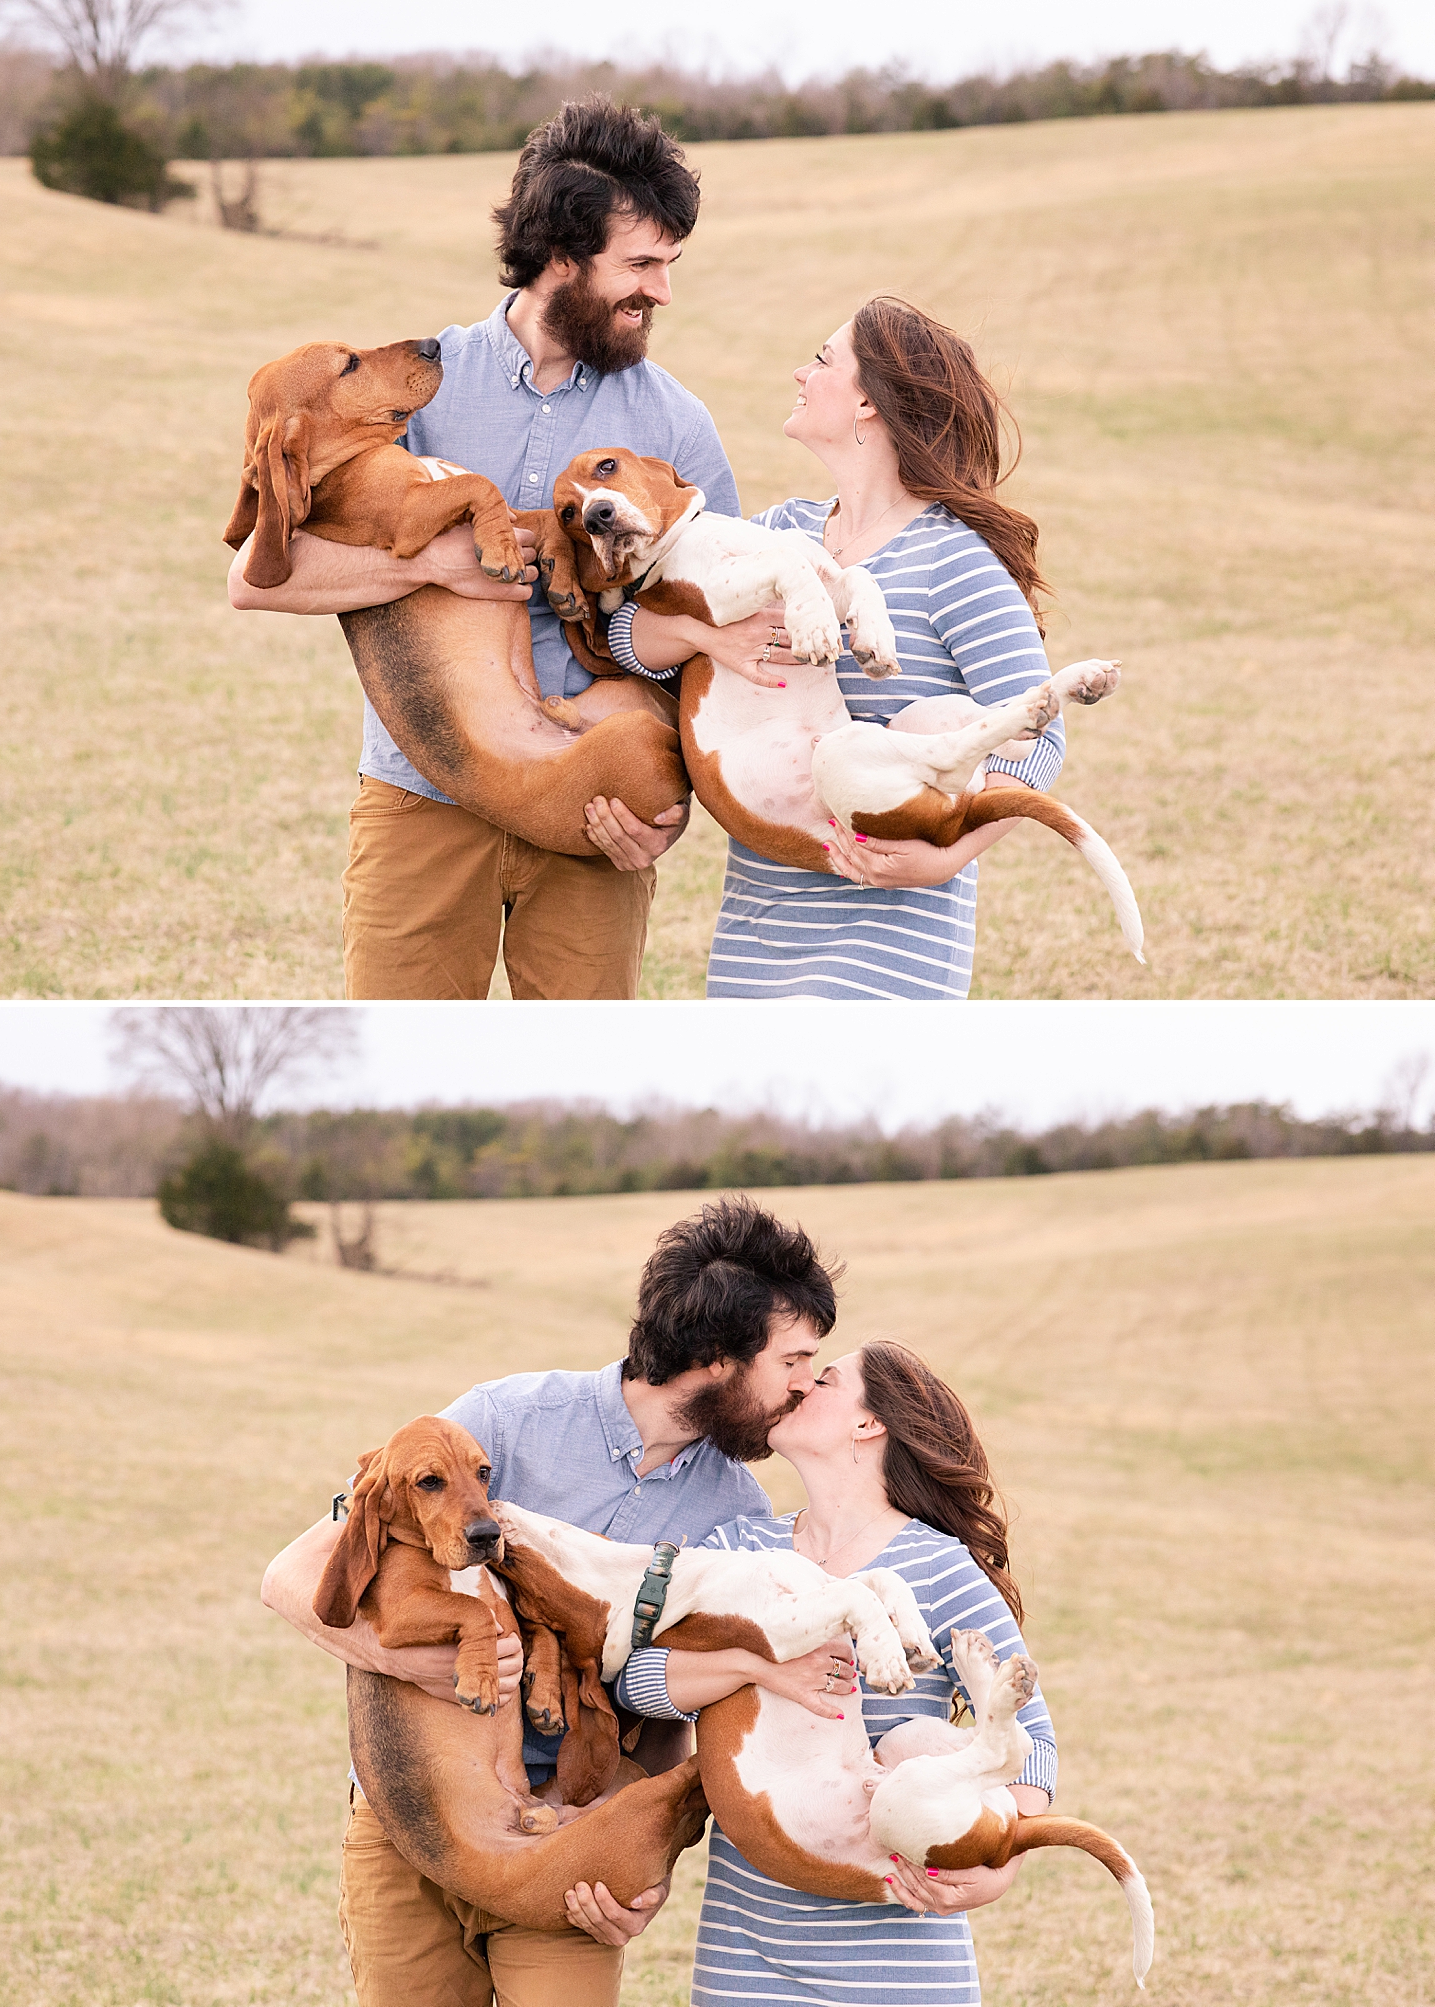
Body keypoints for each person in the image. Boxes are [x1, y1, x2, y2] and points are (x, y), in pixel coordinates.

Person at [260, 1195, 843, 2007]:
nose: (805, 1385)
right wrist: (410, 1659)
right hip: (409, 1823)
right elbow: (290, 1573)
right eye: (792, 1361)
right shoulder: (505, 1420)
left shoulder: (738, 1516)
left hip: (566, 1840)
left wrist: (643, 1849)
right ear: (717, 1352)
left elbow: (683, 1713)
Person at [227, 98, 739, 1001]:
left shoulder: (675, 427)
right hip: (421, 798)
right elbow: (261, 578)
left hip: (596, 809)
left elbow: (714, 640)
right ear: (560, 257)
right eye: (641, 264)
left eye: (669, 264)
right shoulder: (412, 388)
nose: (661, 290)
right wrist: (425, 563)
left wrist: (675, 807)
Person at [587, 295, 1063, 999]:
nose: (800, 373)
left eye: (822, 359)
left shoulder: (954, 561)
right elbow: (626, 637)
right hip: (757, 932)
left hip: (886, 942)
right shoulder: (781, 529)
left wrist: (947, 857)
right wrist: (703, 632)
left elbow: (1043, 739)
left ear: (869, 402)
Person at [614, 1339, 1056, 2006]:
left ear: (867, 1422)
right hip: (744, 1959)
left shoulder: (941, 1568)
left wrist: (995, 1867)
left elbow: (1033, 1744)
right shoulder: (740, 1549)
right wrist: (750, 1664)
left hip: (901, 1963)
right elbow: (639, 1681)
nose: (793, 1386)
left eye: (821, 1378)